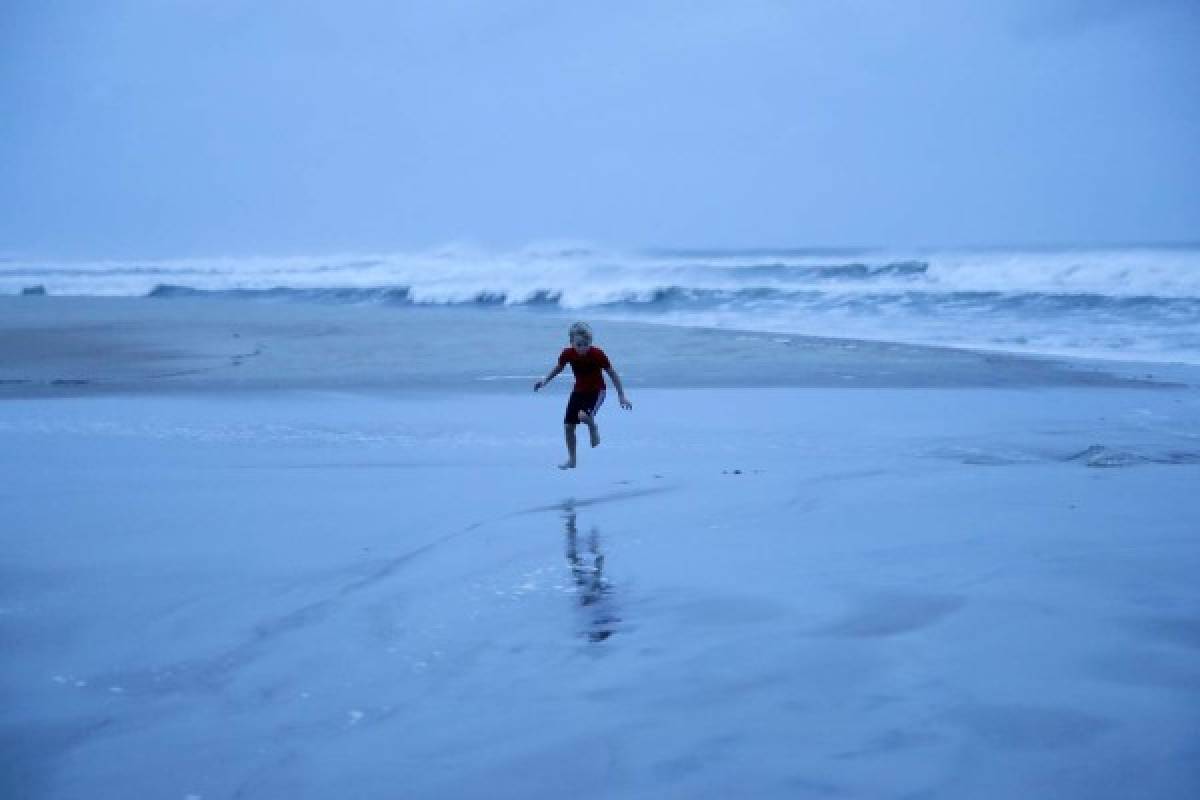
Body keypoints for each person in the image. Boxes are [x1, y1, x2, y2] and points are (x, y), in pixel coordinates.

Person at [534, 321, 633, 469]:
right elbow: (559, 368)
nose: (582, 348)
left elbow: (612, 373)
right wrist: (545, 381)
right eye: (579, 344)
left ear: (590, 342)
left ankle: (593, 427)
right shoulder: (567, 353)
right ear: (572, 342)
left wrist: (621, 396)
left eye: (586, 344)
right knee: (568, 426)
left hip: (597, 391)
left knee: (583, 416)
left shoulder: (597, 354)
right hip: (578, 391)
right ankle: (572, 460)